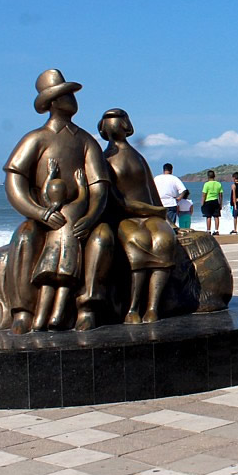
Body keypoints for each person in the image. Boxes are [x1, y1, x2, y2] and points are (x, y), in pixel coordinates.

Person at [2, 69, 116, 333]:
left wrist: (91, 216)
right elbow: (14, 183)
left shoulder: (86, 141)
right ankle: (23, 312)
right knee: (24, 238)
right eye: (66, 95)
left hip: (81, 216)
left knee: (102, 238)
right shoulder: (35, 139)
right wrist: (39, 213)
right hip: (45, 213)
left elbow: (99, 187)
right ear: (53, 102)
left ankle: (87, 308)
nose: (73, 100)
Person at [98, 109, 178, 324]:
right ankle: (133, 307)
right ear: (103, 128)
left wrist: (167, 219)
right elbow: (116, 200)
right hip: (125, 217)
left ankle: (152, 307)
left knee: (164, 240)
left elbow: (151, 190)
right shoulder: (103, 161)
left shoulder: (137, 157)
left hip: (151, 216)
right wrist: (154, 211)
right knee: (137, 242)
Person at [30, 160, 88, 331]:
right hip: (67, 257)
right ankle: (57, 317)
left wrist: (51, 175)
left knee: (47, 284)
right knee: (64, 285)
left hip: (49, 257)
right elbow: (83, 197)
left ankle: (39, 319)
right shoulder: (74, 208)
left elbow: (44, 194)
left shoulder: (49, 211)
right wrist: (81, 183)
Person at [154, 163, 187, 227]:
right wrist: (179, 198)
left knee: (159, 225)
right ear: (171, 170)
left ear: (163, 170)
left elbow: (151, 189)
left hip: (158, 203)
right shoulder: (174, 178)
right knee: (170, 226)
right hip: (170, 203)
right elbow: (183, 190)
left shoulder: (156, 178)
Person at [201, 170, 223, 235]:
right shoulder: (218, 184)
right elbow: (220, 195)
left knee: (208, 216)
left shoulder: (206, 184)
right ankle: (216, 230)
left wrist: (202, 203)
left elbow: (204, 195)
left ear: (208, 176)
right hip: (215, 201)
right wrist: (220, 203)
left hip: (208, 201)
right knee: (216, 216)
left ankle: (208, 230)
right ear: (214, 176)